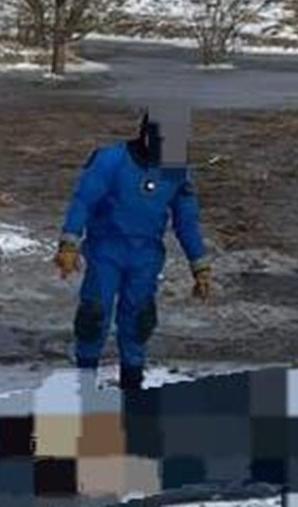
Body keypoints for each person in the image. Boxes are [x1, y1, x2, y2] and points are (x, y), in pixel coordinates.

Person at [53, 108, 211, 390]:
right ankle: (85, 382)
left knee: (138, 320)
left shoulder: (176, 169)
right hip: (106, 252)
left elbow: (186, 221)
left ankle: (132, 386)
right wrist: (69, 243)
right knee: (94, 314)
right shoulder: (111, 160)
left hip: (145, 258)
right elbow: (83, 201)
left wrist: (199, 265)